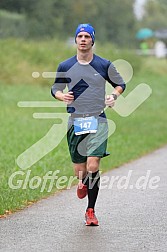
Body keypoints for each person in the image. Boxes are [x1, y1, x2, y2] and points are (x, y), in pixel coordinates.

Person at [51, 23, 126, 226]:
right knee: (81, 171)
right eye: (80, 36)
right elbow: (55, 88)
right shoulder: (65, 66)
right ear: (76, 40)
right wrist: (61, 95)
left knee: (93, 165)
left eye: (87, 36)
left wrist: (113, 95)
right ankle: (82, 182)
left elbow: (121, 84)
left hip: (98, 119)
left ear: (93, 40)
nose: (83, 39)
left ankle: (90, 210)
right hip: (75, 121)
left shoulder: (103, 65)